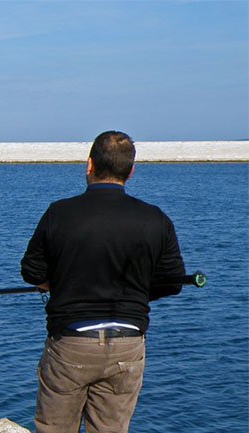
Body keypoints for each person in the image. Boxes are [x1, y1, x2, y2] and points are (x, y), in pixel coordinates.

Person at [20, 131, 186, 433]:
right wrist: (137, 290)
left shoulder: (59, 213)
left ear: (89, 164)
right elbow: (173, 281)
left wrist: (58, 283)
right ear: (130, 171)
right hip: (127, 342)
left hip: (71, 342)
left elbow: (31, 272)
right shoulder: (155, 219)